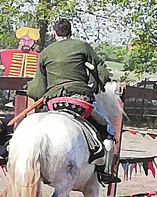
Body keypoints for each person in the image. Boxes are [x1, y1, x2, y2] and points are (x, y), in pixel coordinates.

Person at [26, 18, 117, 184]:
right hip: (80, 102)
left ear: (54, 33)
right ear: (70, 32)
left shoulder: (46, 52)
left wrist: (29, 88)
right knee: (108, 129)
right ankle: (105, 171)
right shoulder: (82, 46)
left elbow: (37, 90)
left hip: (54, 103)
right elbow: (101, 71)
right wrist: (96, 86)